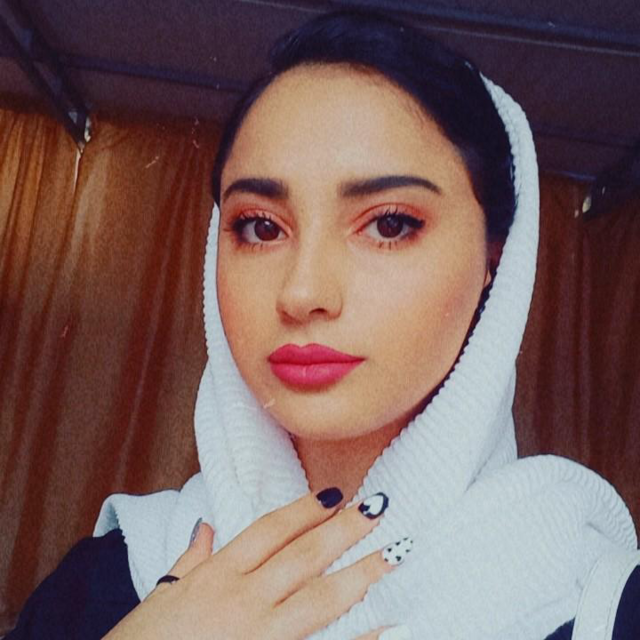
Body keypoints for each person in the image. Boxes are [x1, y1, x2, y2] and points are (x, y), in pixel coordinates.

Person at [7, 9, 639, 640]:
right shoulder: (108, 583)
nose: (303, 292)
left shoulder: (598, 606)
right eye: (261, 227)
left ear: (494, 260)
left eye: (389, 223)